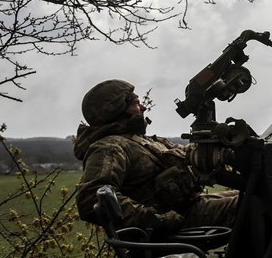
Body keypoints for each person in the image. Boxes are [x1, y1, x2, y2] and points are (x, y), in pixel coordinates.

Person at [74, 79, 238, 232]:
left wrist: (224, 151)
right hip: (172, 222)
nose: (143, 108)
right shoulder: (110, 147)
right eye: (136, 104)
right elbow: (91, 199)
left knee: (253, 194)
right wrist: (155, 220)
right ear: (119, 111)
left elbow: (182, 154)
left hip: (188, 207)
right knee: (253, 203)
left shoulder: (138, 141)